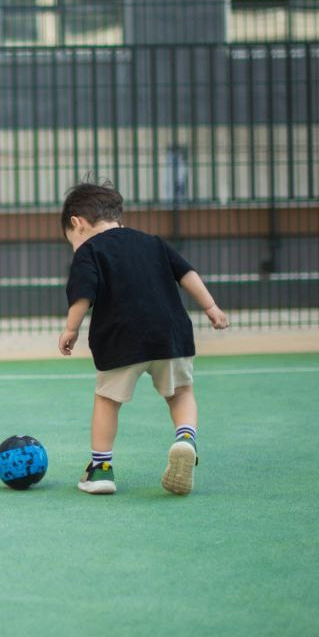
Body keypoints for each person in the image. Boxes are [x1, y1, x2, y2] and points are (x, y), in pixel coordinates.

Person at [57, 181, 229, 496]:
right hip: (171, 334)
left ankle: (101, 469)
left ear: (76, 224)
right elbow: (187, 274)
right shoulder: (153, 242)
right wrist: (211, 306)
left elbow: (82, 293)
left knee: (108, 400)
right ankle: (185, 438)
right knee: (180, 393)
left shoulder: (89, 252)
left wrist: (71, 329)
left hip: (121, 340)